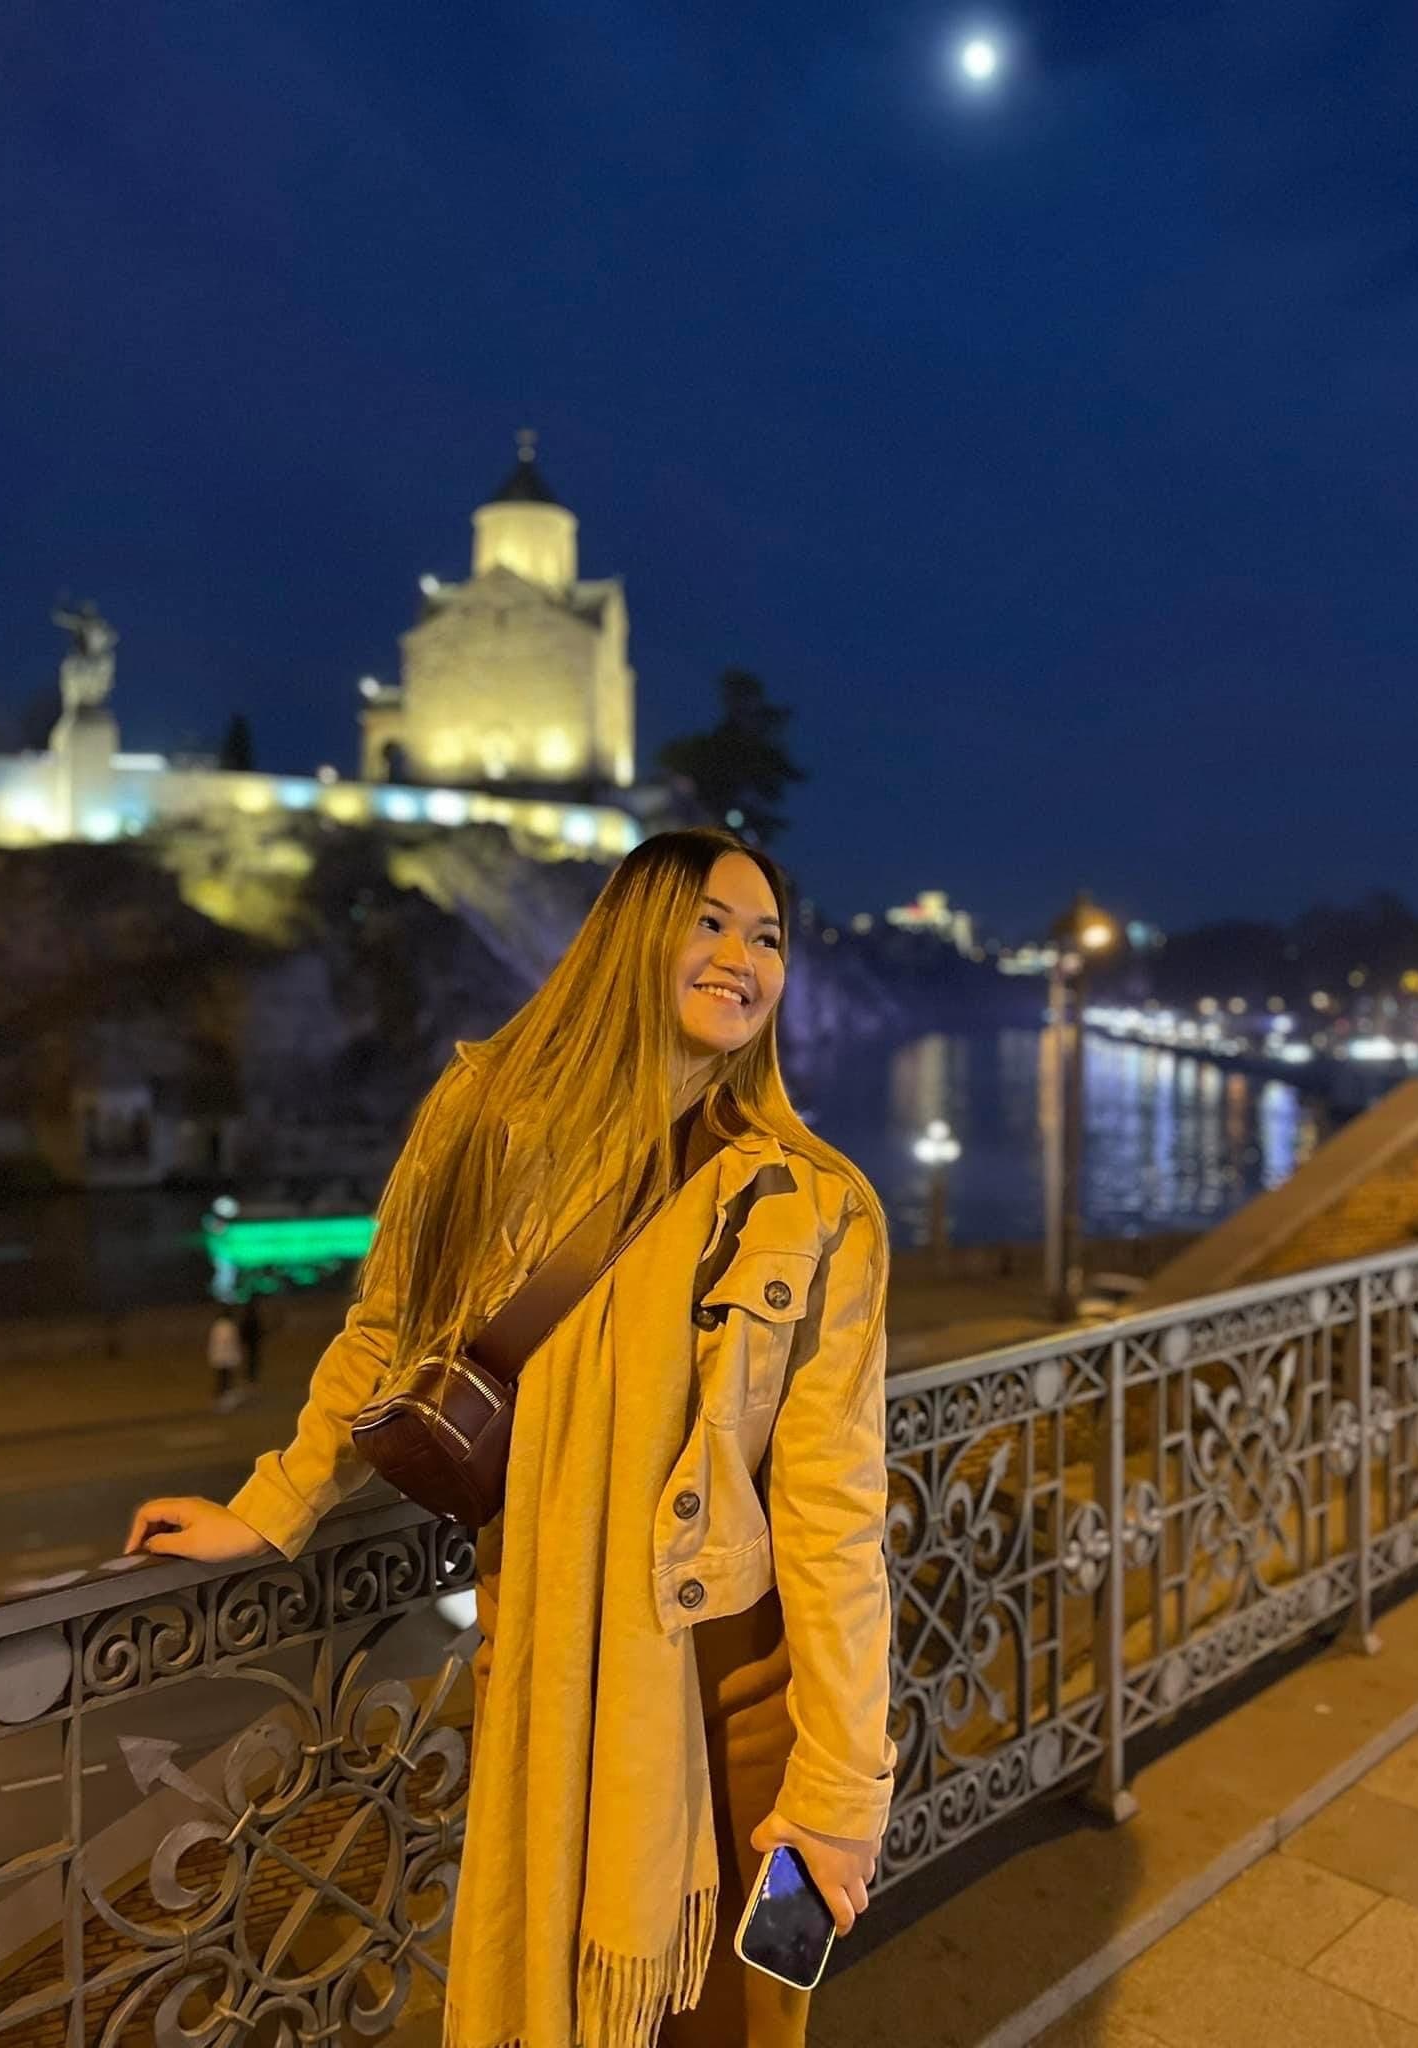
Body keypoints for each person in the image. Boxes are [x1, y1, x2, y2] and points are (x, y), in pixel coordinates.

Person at [125, 829, 896, 2048]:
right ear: (630, 933)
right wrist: (274, 1505)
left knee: (738, 2019)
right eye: (709, 920)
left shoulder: (815, 1199)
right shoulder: (487, 1115)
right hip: (549, 1660)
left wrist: (844, 1783)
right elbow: (387, 1328)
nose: (743, 956)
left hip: (742, 1690)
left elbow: (835, 1510)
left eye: (768, 937)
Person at [206, 1307, 243, 1412]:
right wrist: (236, 1357)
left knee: (221, 1380)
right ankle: (226, 1402)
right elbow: (232, 1343)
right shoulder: (230, 1327)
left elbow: (213, 1343)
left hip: (218, 1357)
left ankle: (220, 1400)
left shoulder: (216, 1326)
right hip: (227, 1358)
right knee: (227, 1380)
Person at [238, 1293, 266, 1390]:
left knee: (252, 1360)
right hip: (252, 1342)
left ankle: (251, 1377)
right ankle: (251, 1377)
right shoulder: (252, 1317)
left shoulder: (247, 1316)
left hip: (251, 1342)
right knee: (252, 1360)